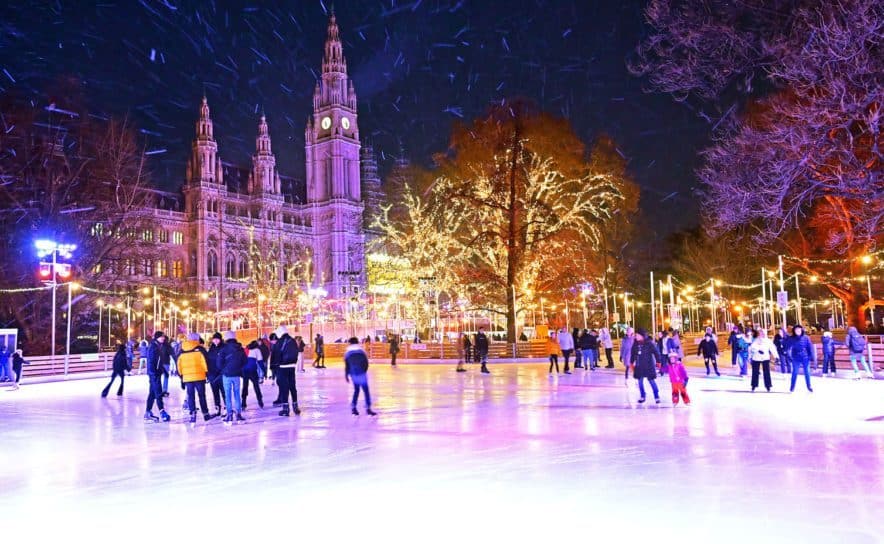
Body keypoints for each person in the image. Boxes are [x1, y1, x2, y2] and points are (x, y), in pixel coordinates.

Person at [177, 333, 215, 423]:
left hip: (187, 377)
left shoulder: (181, 350)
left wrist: (181, 376)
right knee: (202, 395)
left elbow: (179, 364)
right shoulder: (201, 349)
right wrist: (207, 373)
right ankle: (205, 414)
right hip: (199, 376)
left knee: (190, 396)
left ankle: (192, 414)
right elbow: (205, 362)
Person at [273, 325, 301, 416]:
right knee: (293, 387)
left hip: (282, 367)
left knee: (284, 388)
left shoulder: (279, 342)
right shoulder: (292, 340)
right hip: (292, 367)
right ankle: (295, 407)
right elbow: (297, 352)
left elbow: (276, 355)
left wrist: (275, 366)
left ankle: (286, 408)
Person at [345, 337, 377, 416]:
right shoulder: (362, 352)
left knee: (356, 390)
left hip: (353, 374)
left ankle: (354, 408)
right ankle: (368, 409)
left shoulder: (348, 353)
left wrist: (347, 375)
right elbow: (366, 363)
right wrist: (363, 371)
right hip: (362, 373)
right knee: (366, 391)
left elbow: (347, 366)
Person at [630, 328, 663, 404]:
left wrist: (658, 362)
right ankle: (642, 396)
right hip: (639, 366)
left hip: (648, 365)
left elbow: (656, 352)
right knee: (640, 382)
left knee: (651, 381)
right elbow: (633, 354)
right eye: (636, 335)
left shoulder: (649, 343)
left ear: (642, 336)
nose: (636, 337)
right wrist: (631, 362)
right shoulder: (635, 344)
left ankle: (656, 396)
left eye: (637, 335)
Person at [144, 331, 172, 423]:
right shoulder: (153, 347)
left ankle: (147, 413)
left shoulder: (157, 346)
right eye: (161, 337)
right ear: (157, 338)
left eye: (163, 337)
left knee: (152, 393)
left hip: (156, 373)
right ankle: (162, 412)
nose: (163, 338)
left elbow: (159, 362)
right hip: (154, 374)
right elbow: (151, 362)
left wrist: (164, 371)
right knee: (158, 393)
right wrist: (153, 373)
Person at [220, 331, 246, 424]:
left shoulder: (224, 348)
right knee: (237, 394)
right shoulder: (240, 348)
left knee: (227, 395)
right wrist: (238, 368)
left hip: (226, 375)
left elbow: (219, 362)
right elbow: (244, 360)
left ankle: (229, 415)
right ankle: (238, 414)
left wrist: (223, 369)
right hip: (237, 375)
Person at [788, 325, 814, 393]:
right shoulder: (792, 338)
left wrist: (810, 356)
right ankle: (792, 387)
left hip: (805, 357)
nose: (798, 331)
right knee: (795, 372)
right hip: (796, 357)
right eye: (796, 330)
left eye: (799, 330)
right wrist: (789, 356)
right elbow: (788, 347)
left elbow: (809, 347)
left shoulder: (806, 338)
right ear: (794, 331)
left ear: (801, 330)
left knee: (807, 372)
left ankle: (809, 386)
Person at [206, 332, 226, 416]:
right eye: (214, 339)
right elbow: (207, 361)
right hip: (212, 374)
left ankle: (226, 407)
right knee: (215, 392)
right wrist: (208, 374)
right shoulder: (211, 349)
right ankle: (217, 407)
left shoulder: (224, 348)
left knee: (224, 391)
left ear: (220, 339)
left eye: (217, 339)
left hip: (222, 374)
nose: (216, 341)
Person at [242, 340, 264, 409]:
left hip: (244, 370)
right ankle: (260, 400)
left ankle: (243, 402)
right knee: (256, 386)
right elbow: (260, 361)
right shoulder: (257, 350)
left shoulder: (246, 349)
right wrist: (264, 371)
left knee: (245, 386)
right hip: (252, 370)